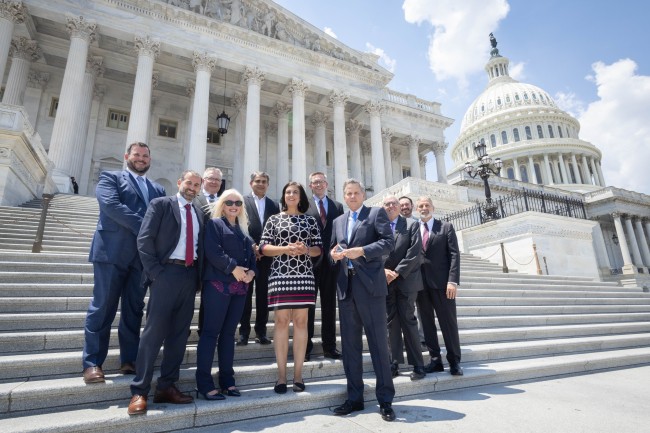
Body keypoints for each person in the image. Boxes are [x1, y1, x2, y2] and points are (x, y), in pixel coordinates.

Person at [82, 142, 166, 384]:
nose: (141, 159)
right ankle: (92, 363)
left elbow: (163, 218)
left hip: (141, 259)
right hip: (111, 253)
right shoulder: (111, 178)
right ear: (127, 156)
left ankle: (129, 359)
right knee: (102, 308)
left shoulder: (158, 189)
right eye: (137, 155)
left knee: (133, 310)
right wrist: (147, 227)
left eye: (145, 155)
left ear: (150, 159)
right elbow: (111, 206)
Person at [127, 170, 204, 415]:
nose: (192, 187)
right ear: (179, 182)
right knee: (153, 334)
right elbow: (144, 239)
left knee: (179, 335)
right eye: (189, 183)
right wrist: (156, 274)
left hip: (189, 276)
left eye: (196, 185)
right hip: (165, 274)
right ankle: (140, 391)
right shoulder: (161, 204)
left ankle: (167, 386)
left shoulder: (200, 212)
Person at [330, 179, 396, 422]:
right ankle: (354, 398)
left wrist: (363, 251)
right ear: (344, 196)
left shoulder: (376, 213)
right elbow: (334, 249)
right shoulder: (338, 221)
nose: (352, 196)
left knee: (379, 345)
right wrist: (332, 254)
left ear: (363, 194)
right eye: (348, 193)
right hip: (346, 289)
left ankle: (385, 400)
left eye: (356, 192)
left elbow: (388, 242)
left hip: (370, 289)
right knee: (350, 347)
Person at [260, 181, 322, 393]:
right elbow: (264, 247)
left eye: (295, 192)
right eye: (288, 192)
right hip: (280, 274)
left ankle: (298, 375)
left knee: (301, 323)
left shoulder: (310, 220)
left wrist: (305, 250)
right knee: (281, 322)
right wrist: (285, 248)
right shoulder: (274, 219)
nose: (291, 195)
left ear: (301, 196)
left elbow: (318, 249)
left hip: (304, 275)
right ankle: (281, 377)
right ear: (283, 196)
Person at [195, 189, 257, 400]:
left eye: (238, 202)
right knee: (210, 333)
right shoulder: (214, 224)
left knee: (229, 335)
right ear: (222, 203)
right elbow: (213, 251)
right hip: (218, 285)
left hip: (240, 288)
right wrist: (233, 268)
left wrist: (252, 272)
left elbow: (252, 255)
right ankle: (204, 384)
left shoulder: (242, 229)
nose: (234, 206)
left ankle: (227, 381)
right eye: (229, 202)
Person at [415, 196, 463, 376]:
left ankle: (454, 361)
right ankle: (435, 360)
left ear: (433, 208)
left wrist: (452, 280)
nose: (424, 208)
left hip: (443, 285)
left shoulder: (445, 227)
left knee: (448, 324)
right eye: (420, 206)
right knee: (426, 324)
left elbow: (454, 255)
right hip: (421, 285)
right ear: (416, 209)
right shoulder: (413, 229)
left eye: (427, 205)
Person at [381, 196, 425, 381]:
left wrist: (396, 272)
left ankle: (418, 364)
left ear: (400, 207)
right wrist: (383, 271)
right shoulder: (379, 226)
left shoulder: (410, 225)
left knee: (408, 320)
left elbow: (415, 252)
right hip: (385, 281)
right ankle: (394, 362)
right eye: (387, 204)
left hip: (406, 280)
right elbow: (375, 250)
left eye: (394, 203)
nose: (391, 206)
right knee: (391, 322)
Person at [304, 171, 344, 361]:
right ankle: (305, 347)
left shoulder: (337, 206)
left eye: (321, 182)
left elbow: (342, 233)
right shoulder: (304, 205)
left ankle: (330, 346)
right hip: (309, 263)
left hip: (331, 263)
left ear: (327, 184)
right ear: (310, 185)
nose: (318, 185)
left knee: (329, 306)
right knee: (308, 306)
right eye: (315, 182)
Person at [238, 171, 280, 346]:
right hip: (246, 255)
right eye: (257, 181)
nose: (261, 184)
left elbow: (277, 230)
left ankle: (261, 332)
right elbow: (239, 225)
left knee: (264, 296)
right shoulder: (241, 202)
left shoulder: (274, 205)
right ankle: (244, 332)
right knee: (245, 296)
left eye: (264, 181)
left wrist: (265, 248)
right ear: (251, 183)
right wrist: (253, 246)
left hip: (267, 257)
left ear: (268, 184)